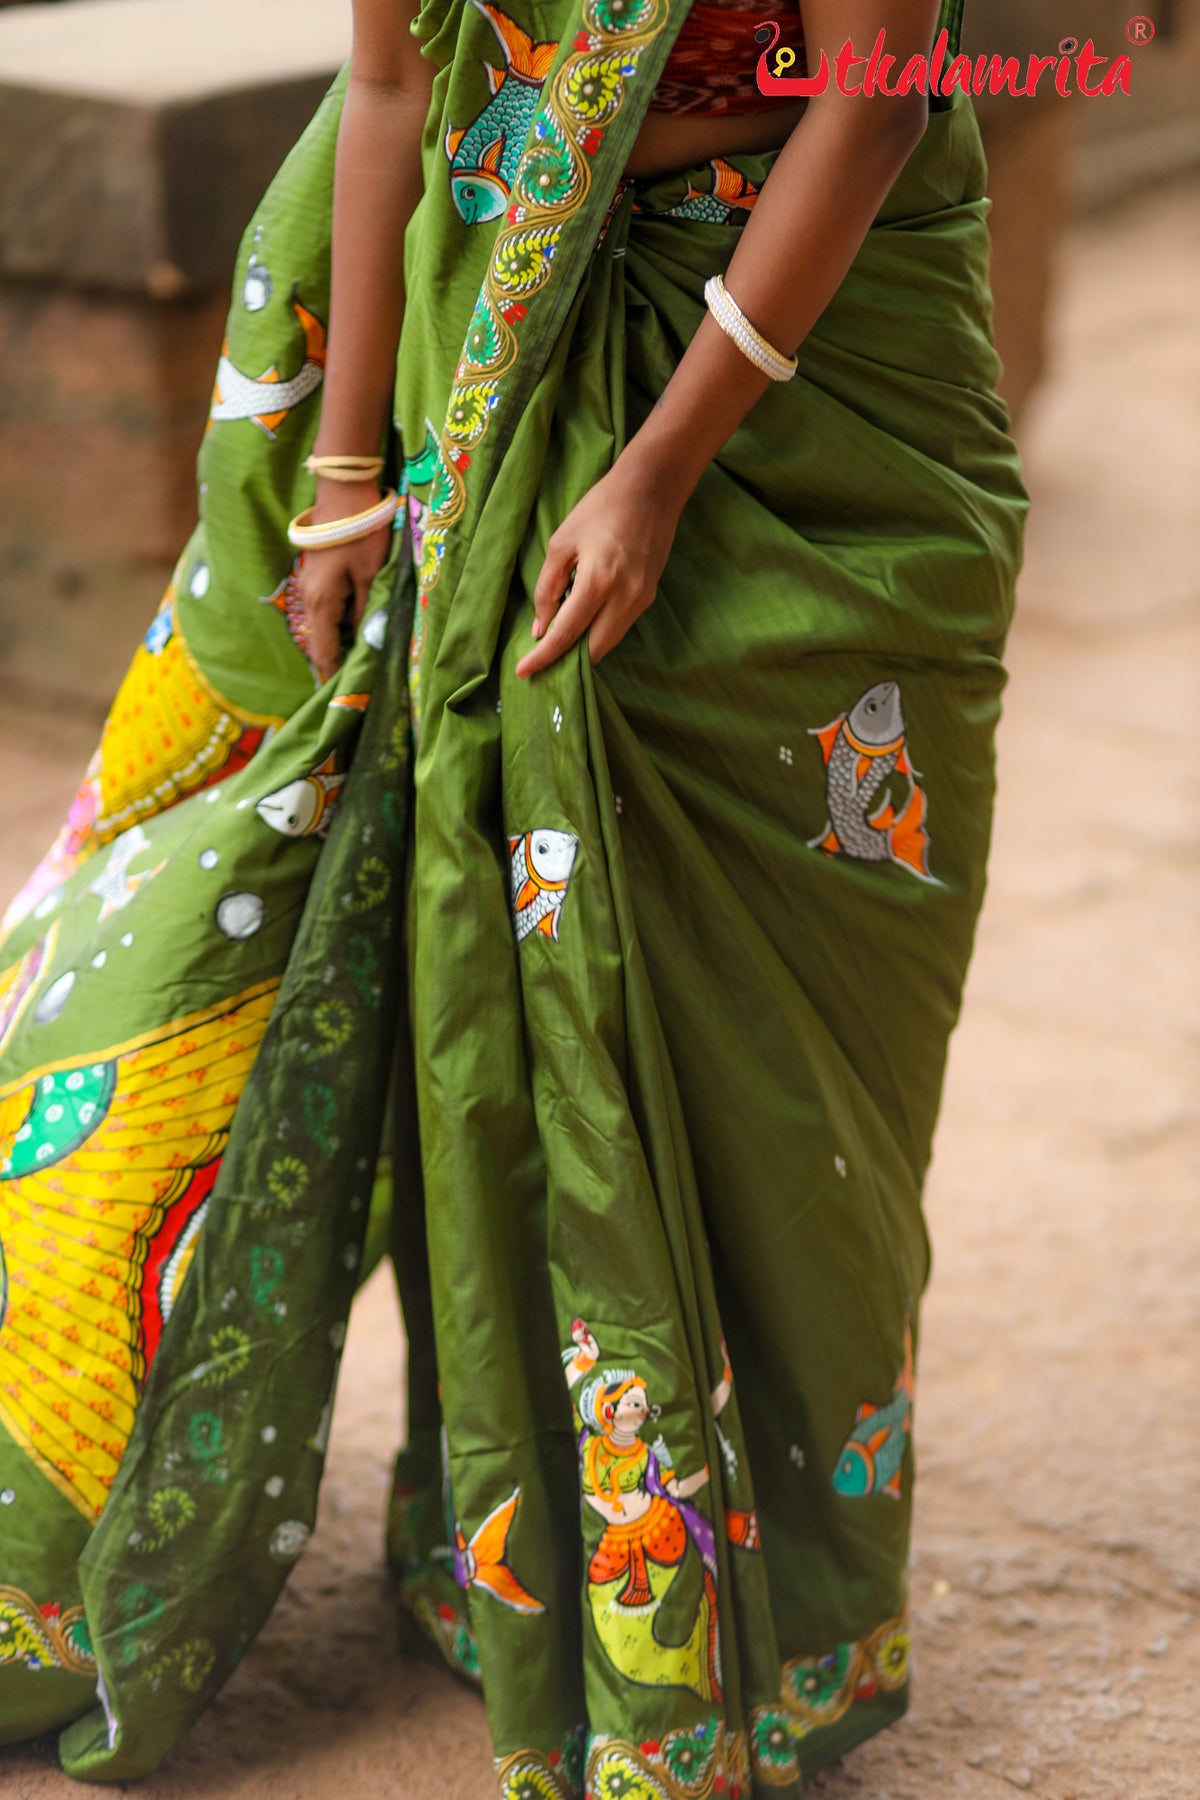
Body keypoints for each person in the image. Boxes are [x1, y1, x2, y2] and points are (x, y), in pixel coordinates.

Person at [0, 0, 1028, 1789]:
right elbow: (397, 84)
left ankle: (778, 1616)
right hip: (503, 346)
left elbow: (877, 89)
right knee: (494, 946)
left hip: (809, 383)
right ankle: (518, 1564)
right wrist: (337, 483)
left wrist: (654, 471)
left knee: (793, 1024)